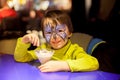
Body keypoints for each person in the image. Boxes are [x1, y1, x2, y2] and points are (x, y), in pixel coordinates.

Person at [14, 10, 99, 72]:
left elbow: (93, 63)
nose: (54, 37)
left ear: (69, 33)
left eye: (60, 31)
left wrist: (63, 65)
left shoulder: (74, 50)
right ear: (44, 35)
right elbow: (21, 58)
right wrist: (24, 41)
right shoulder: (44, 49)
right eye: (49, 32)